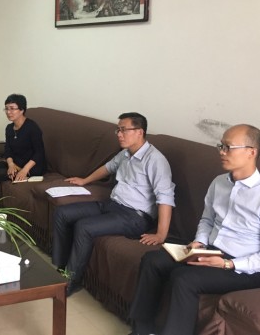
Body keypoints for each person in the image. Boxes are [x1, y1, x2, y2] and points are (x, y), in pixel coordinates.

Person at [128, 124, 260, 335]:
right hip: (210, 249)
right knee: (153, 260)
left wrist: (227, 264)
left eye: (228, 147)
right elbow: (207, 220)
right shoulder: (219, 183)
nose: (222, 152)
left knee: (184, 279)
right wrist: (199, 243)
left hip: (242, 268)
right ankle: (142, 330)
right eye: (221, 146)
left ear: (251, 152)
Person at [52, 112, 175, 297]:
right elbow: (108, 167)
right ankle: (61, 268)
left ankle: (70, 282)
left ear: (139, 132)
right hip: (113, 205)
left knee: (84, 227)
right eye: (118, 130)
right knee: (62, 213)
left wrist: (161, 234)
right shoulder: (125, 153)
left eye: (124, 130)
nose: (119, 134)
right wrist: (85, 180)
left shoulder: (155, 160)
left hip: (134, 217)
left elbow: (165, 197)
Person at [0, 94, 46, 206]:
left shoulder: (32, 128)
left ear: (22, 110)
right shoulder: (9, 128)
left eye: (12, 108)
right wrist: (11, 165)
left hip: (31, 167)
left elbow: (39, 153)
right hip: (16, 163)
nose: (8, 112)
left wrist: (24, 171)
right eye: (6, 109)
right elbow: (8, 149)